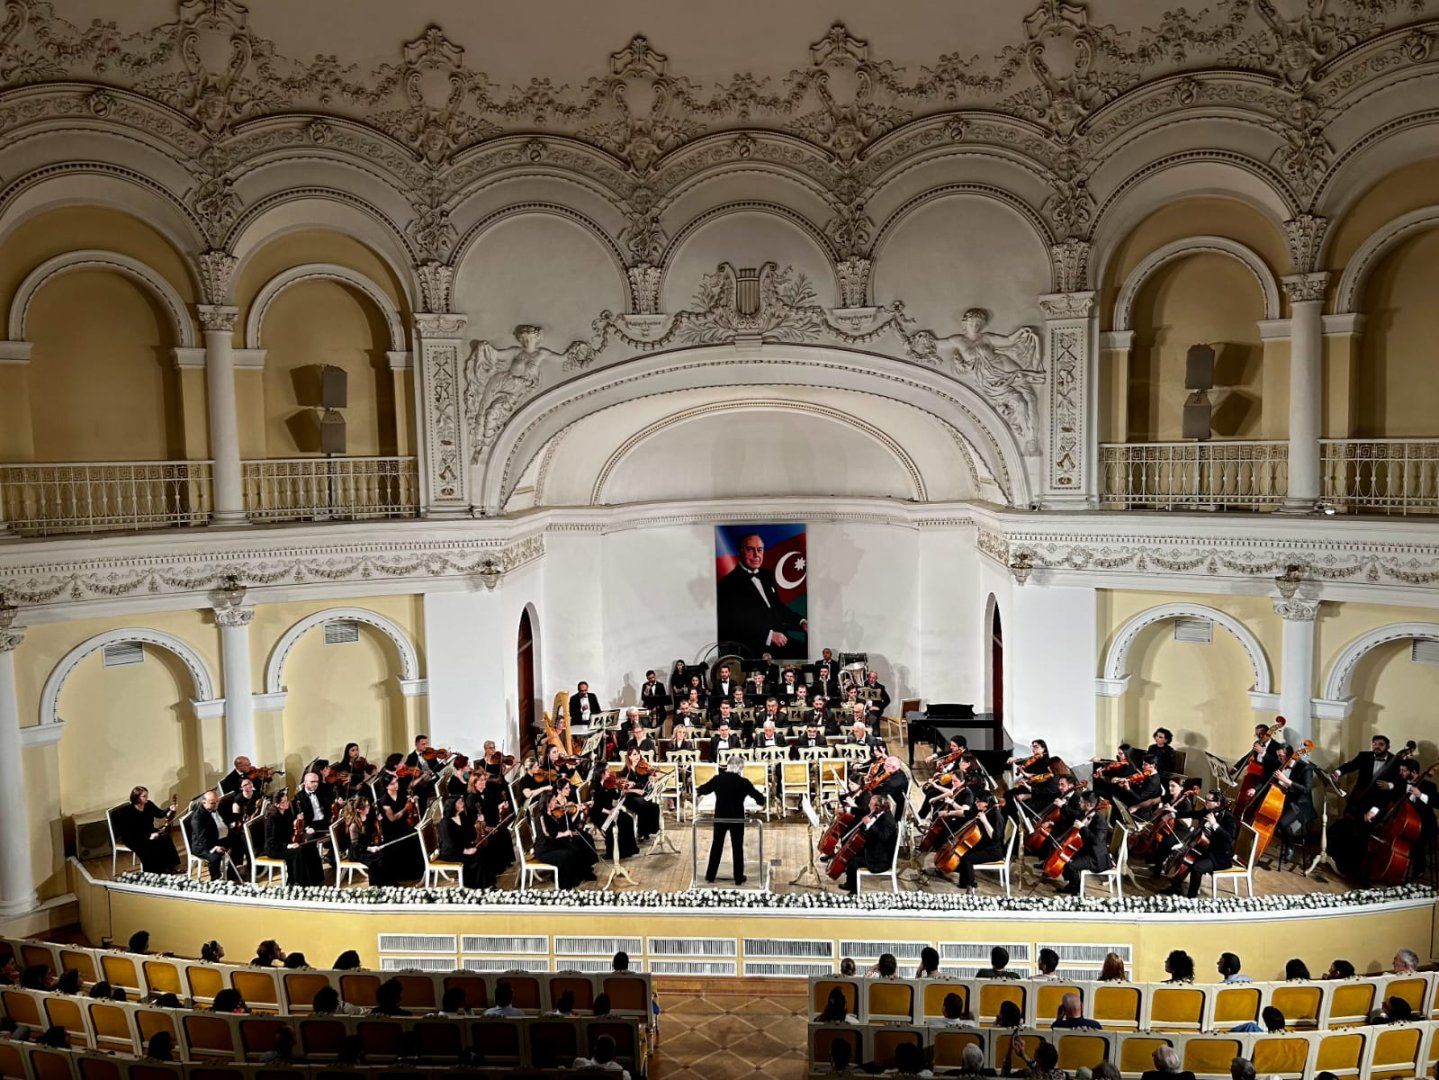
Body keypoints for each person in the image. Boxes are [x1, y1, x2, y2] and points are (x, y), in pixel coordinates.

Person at [716, 532, 808, 656]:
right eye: (750, 550)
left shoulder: (766, 575)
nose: (756, 555)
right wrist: (768, 636)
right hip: (752, 649)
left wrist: (801, 621)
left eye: (759, 550)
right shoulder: (727, 584)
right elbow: (731, 625)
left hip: (782, 641)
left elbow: (778, 607)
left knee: (808, 655)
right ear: (740, 551)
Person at [698, 758, 766, 884]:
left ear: (728, 766)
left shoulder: (717, 779)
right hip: (737, 818)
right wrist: (763, 801)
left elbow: (702, 790)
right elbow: (759, 798)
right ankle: (738, 878)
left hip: (720, 817)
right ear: (740, 768)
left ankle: (710, 875)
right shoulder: (743, 782)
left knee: (716, 845)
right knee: (737, 847)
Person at [1165, 789, 1236, 899]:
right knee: (1185, 859)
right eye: (1205, 798)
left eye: (1209, 800)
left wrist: (1215, 825)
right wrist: (1175, 814)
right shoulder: (1208, 811)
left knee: (1197, 868)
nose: (1205, 801)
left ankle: (1191, 898)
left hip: (1219, 856)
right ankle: (1176, 887)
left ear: (1218, 803)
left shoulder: (1228, 818)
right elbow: (1194, 813)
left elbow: (1229, 838)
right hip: (1206, 850)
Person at [841, 792, 898, 894]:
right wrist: (846, 809)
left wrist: (870, 825)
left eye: (870, 804)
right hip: (875, 849)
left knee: (853, 861)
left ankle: (854, 890)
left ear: (877, 806)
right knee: (852, 853)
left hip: (879, 859)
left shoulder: (889, 821)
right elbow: (862, 810)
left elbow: (883, 837)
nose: (868, 805)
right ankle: (850, 883)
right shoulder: (878, 811)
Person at [1058, 791, 1111, 895]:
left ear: (1088, 805)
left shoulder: (1100, 822)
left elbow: (1096, 841)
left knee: (1071, 866)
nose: (1079, 803)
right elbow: (1073, 814)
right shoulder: (1085, 813)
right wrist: (1062, 806)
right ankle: (1073, 885)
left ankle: (1078, 891)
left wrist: (1082, 827)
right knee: (1065, 859)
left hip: (1096, 857)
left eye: (1081, 802)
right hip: (1087, 850)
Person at [117, 786, 180, 873]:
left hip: (149, 831)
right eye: (144, 796)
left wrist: (169, 808)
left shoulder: (148, 804)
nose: (147, 798)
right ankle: (155, 871)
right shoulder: (128, 812)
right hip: (134, 837)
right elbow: (131, 831)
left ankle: (170, 867)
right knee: (150, 845)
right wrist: (148, 836)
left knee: (166, 838)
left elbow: (159, 814)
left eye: (147, 795)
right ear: (136, 797)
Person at [189, 789, 245, 883]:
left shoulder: (217, 806)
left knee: (240, 842)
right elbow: (202, 839)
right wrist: (214, 848)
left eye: (217, 802)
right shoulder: (197, 818)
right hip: (203, 845)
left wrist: (239, 819)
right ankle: (216, 880)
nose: (216, 805)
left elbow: (230, 816)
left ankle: (231, 873)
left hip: (218, 839)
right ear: (204, 802)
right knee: (214, 857)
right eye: (212, 803)